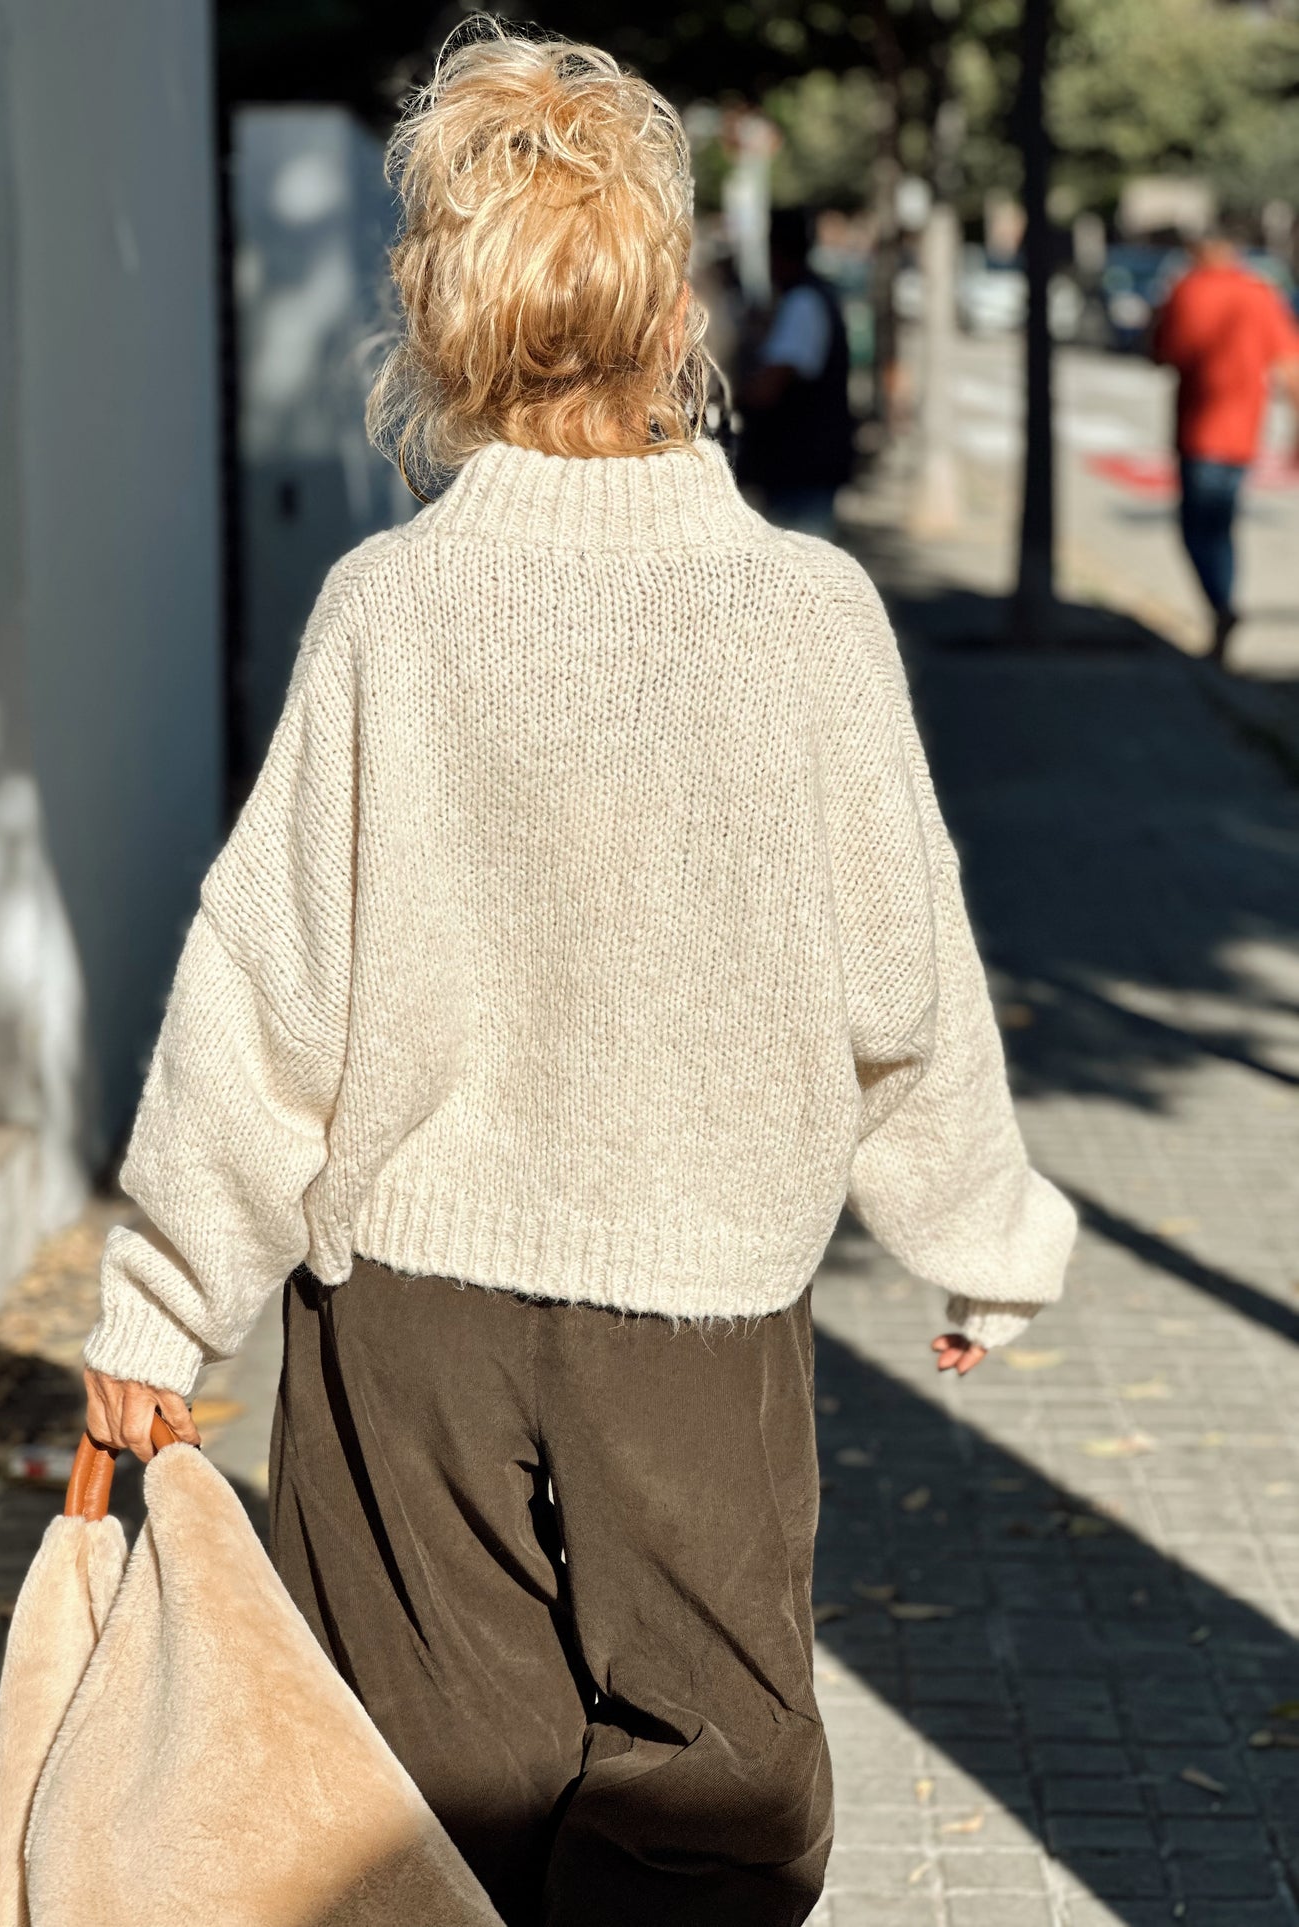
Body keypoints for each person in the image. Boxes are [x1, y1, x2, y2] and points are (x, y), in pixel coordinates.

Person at [80, 24, 1076, 1927]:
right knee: (720, 1787)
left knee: (423, 1792)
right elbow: (906, 979)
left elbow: (265, 988)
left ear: (438, 327)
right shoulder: (808, 617)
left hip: (407, 1326)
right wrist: (980, 1227)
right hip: (698, 1303)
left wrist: (160, 1307)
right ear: (673, 310)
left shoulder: (388, 610)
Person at [1152, 221, 1299, 662]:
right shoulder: (1260, 293)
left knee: (1197, 530)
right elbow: (1290, 364)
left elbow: (1160, 353)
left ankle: (1220, 605)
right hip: (1243, 435)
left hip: (1200, 433)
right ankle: (1222, 609)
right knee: (1221, 528)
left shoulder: (1188, 290)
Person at [736, 204, 855, 538]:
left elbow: (769, 387)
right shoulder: (804, 297)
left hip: (802, 470)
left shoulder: (803, 302)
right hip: (802, 469)